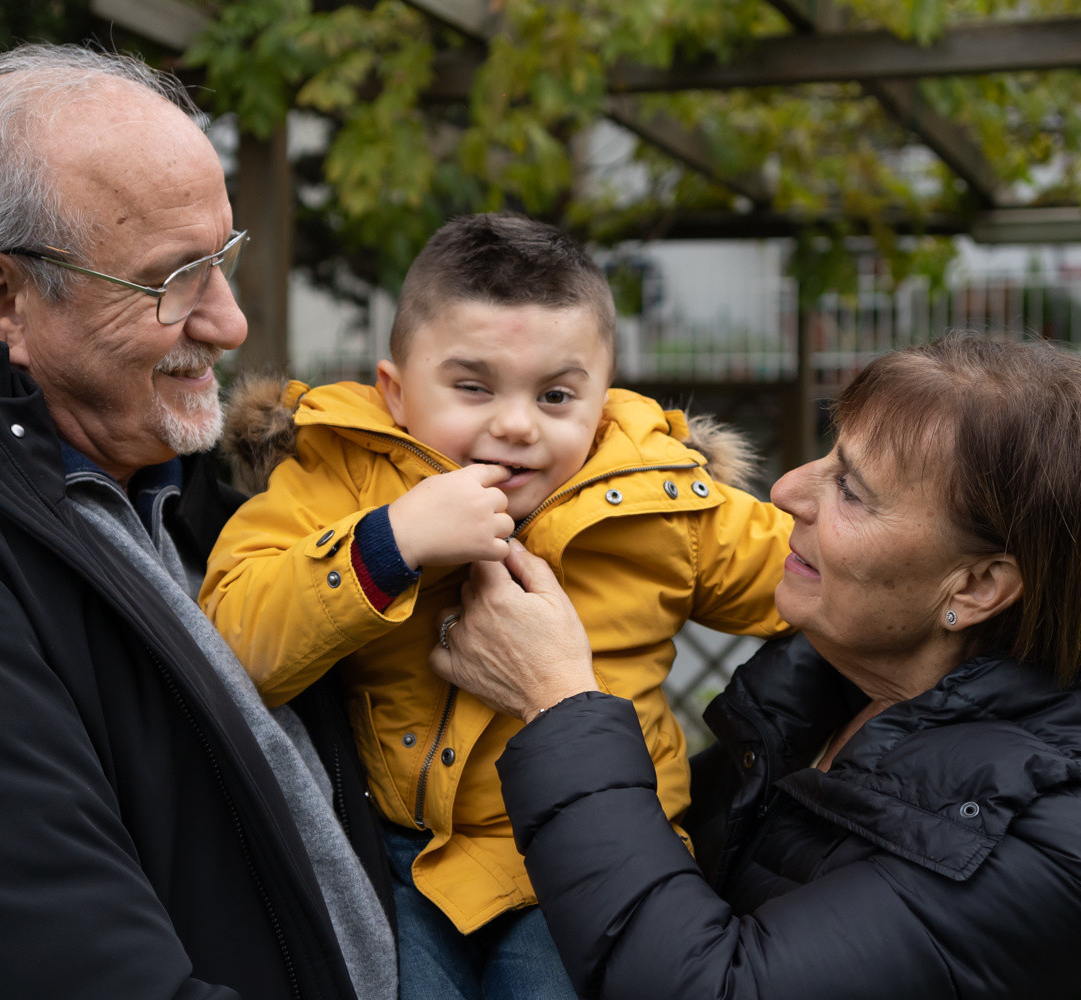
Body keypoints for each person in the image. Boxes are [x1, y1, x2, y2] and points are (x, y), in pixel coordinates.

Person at [0, 44, 396, 1000]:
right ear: (1, 298)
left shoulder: (187, 500)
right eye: (174, 280)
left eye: (221, 260)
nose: (229, 323)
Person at [432, 332, 1081, 1000]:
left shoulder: (1047, 854)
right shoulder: (835, 692)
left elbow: (710, 983)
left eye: (850, 489)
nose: (788, 490)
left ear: (978, 587)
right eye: (829, 454)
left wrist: (560, 703)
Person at [199, 212, 796, 999]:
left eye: (555, 395)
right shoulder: (344, 478)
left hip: (595, 858)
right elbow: (230, 643)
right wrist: (389, 542)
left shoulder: (661, 502)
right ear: (396, 391)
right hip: (403, 857)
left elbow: (821, 586)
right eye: (472, 386)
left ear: (603, 401)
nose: (514, 425)